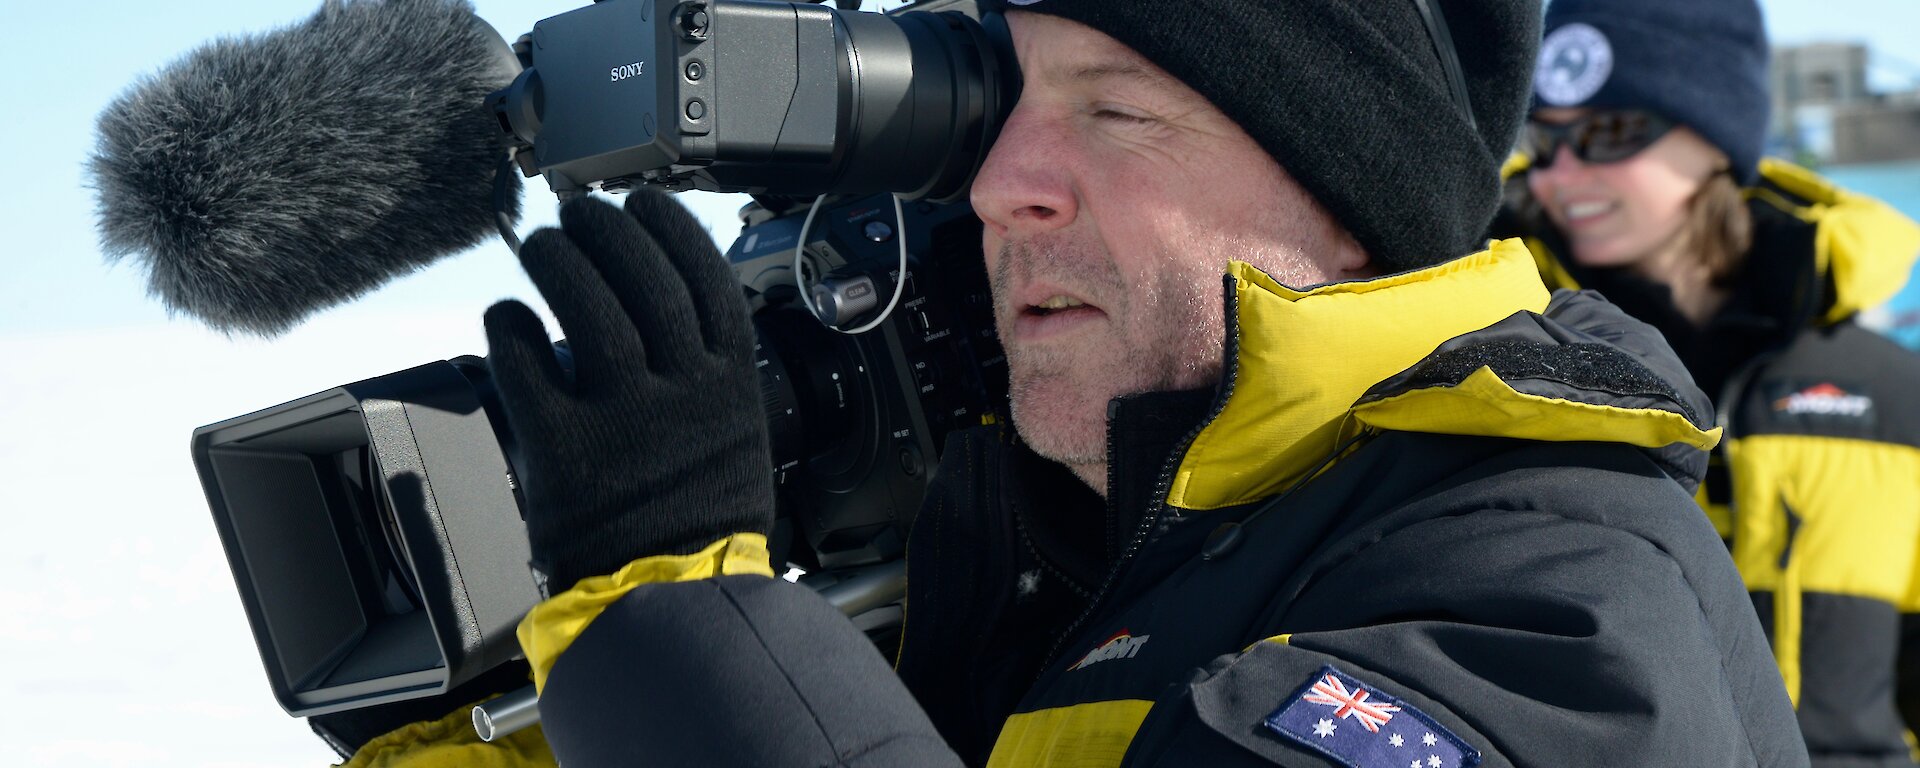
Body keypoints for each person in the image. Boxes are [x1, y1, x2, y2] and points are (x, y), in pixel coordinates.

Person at [340, 0, 1810, 765]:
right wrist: (485, 710)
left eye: (1114, 112)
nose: (1005, 189)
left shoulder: (1549, 610)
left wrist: (677, 623)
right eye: (1011, 107)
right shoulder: (1057, 547)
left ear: (1341, 187)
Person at [1492, 0, 1920, 765]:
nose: (1563, 175)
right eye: (1544, 140)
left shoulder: (1886, 389)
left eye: (1611, 133)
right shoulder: (1499, 364)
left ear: (1719, 140)